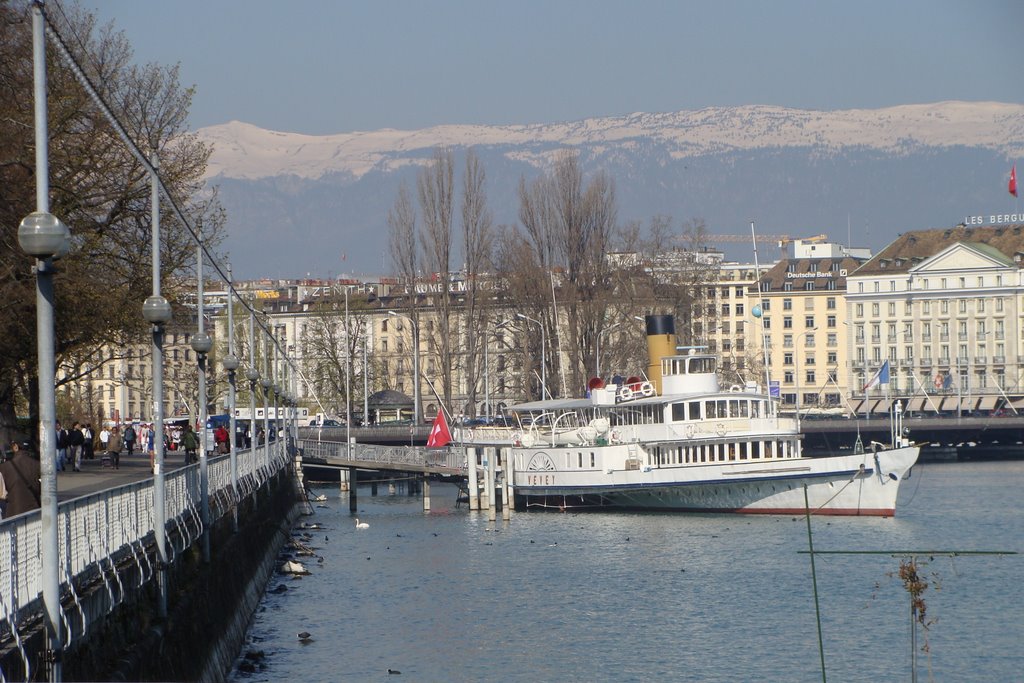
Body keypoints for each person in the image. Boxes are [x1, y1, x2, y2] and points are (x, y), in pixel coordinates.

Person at [0, 441, 41, 517]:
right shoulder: (37, 464)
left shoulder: (5, 467)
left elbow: (2, 494)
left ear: (16, 447)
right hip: (35, 510)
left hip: (14, 512)